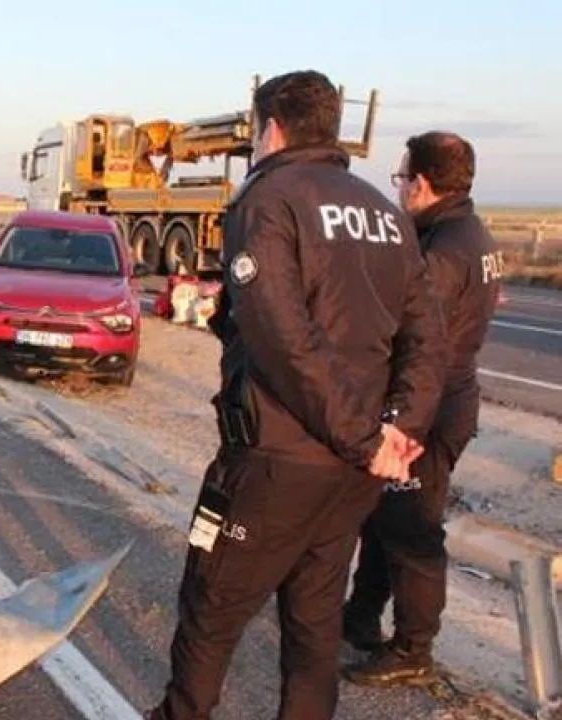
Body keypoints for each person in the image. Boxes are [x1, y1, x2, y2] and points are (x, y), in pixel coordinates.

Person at [147, 70, 445, 720]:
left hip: (278, 460)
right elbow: (427, 339)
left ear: (272, 130)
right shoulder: (384, 212)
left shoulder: (269, 199)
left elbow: (286, 341)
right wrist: (399, 431)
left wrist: (367, 439)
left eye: (257, 132)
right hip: (352, 473)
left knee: (211, 608)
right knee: (314, 625)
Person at [342, 132, 501, 686]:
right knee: (384, 518)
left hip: (428, 410)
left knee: (412, 532)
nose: (399, 189)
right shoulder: (468, 232)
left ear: (423, 183)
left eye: (402, 178)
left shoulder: (443, 251)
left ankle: (414, 649)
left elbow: (407, 332)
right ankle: (361, 617)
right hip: (443, 399)